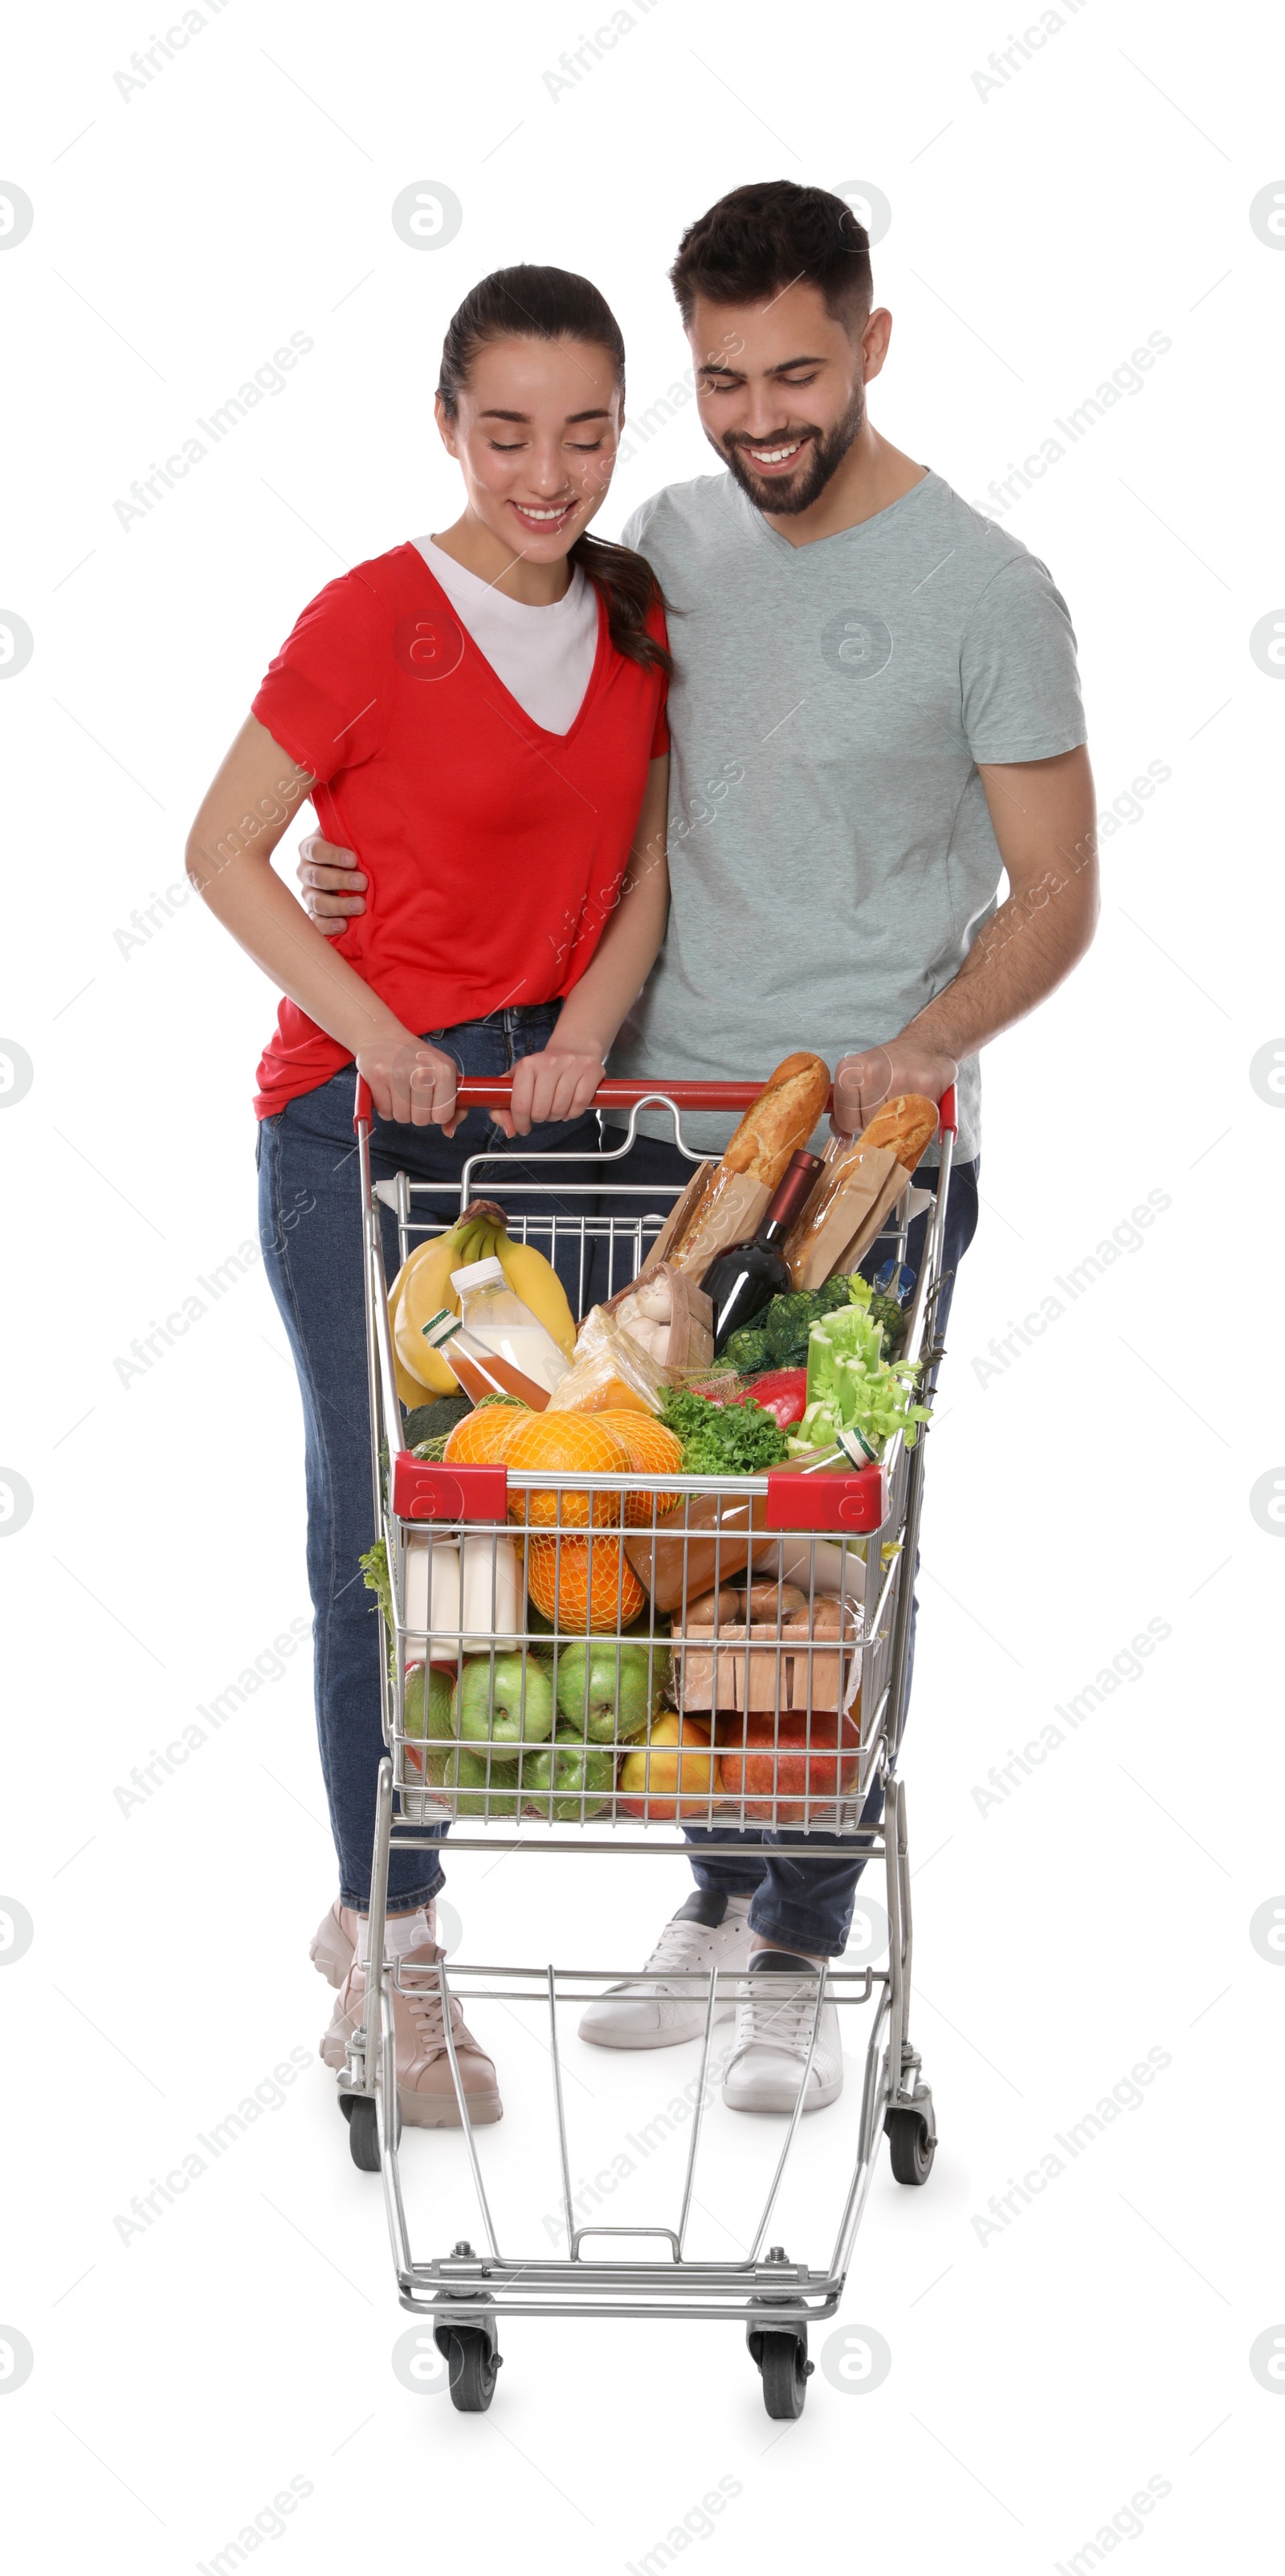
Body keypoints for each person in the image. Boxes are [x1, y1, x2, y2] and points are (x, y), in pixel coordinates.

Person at [298, 181, 1099, 2117]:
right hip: (646, 1139)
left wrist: (905, 1066)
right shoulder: (657, 541)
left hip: (857, 1165)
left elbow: (1057, 894)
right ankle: (714, 1889)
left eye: (797, 374)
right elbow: (573, 794)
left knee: (823, 1548)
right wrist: (357, 868)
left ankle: (799, 1948)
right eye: (722, 380)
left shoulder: (988, 591)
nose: (757, 419)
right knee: (660, 1549)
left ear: (872, 346)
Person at [187, 266, 674, 2130]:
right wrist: (385, 1027)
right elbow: (226, 847)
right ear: (444, 424)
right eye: (503, 430)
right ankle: (397, 1947)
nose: (544, 472)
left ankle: (365, 1906)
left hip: (550, 1125)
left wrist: (593, 1032)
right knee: (376, 1534)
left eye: (583, 429)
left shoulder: (635, 622)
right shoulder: (369, 618)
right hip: (357, 1133)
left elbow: (641, 862)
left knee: (526, 1529)